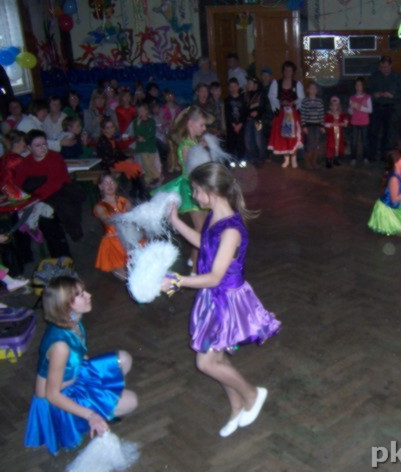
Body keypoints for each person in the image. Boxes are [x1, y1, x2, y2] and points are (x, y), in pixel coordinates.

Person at [162, 162, 280, 437]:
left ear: (212, 191)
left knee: (206, 362)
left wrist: (178, 281)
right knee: (218, 357)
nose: (194, 196)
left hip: (225, 301)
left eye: (196, 190)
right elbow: (205, 244)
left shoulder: (231, 230)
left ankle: (252, 394)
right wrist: (176, 221)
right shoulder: (215, 216)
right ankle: (236, 406)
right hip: (212, 297)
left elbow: (215, 277)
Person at [24, 276, 138, 455]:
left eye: (84, 291)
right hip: (58, 400)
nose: (89, 295)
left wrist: (95, 377)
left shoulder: (72, 321)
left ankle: (105, 407)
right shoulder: (60, 346)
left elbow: (79, 353)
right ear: (65, 305)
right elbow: (52, 395)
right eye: (80, 295)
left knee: (124, 359)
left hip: (75, 377)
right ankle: (96, 414)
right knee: (131, 401)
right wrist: (90, 415)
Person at [153, 106, 209, 274]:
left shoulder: (194, 143)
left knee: (204, 228)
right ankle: (195, 270)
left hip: (199, 187)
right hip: (191, 189)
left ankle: (193, 259)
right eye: (201, 125)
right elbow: (192, 171)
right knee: (201, 231)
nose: (204, 129)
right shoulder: (186, 146)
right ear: (191, 123)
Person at [13, 130, 84, 253]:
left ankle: (62, 254)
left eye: (44, 144)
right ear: (29, 148)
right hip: (39, 196)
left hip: (59, 193)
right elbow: (18, 183)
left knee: (49, 219)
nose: (43, 148)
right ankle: (24, 256)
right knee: (16, 218)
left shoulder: (55, 157)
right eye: (38, 145)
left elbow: (54, 183)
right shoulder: (26, 162)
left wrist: (35, 198)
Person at [367, 149, 401, 237]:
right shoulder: (394, 179)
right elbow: (394, 199)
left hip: (395, 206)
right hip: (387, 209)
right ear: (396, 163)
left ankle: (398, 223)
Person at [96, 118, 147, 201]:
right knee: (131, 167)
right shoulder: (103, 141)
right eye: (108, 128)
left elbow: (118, 153)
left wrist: (127, 158)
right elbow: (108, 158)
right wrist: (124, 161)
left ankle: (136, 190)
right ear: (103, 130)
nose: (111, 129)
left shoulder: (111, 139)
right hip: (109, 165)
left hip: (115, 162)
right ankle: (141, 191)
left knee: (134, 164)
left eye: (112, 127)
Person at [93, 173, 131, 280]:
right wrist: (120, 218)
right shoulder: (100, 206)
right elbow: (105, 220)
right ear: (100, 187)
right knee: (123, 277)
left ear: (116, 184)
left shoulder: (124, 201)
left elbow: (133, 215)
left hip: (129, 236)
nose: (109, 186)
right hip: (113, 241)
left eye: (111, 182)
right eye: (106, 183)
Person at [267, 61, 305, 168]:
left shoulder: (297, 84)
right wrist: (280, 102)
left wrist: (293, 103)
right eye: (286, 70)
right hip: (281, 113)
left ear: (293, 72)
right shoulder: (276, 83)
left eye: (290, 70)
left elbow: (301, 98)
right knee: (283, 136)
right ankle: (286, 159)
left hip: (292, 113)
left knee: (293, 135)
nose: (288, 72)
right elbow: (271, 97)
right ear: (283, 71)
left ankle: (294, 158)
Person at [368, 56, 401, 161]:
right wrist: (375, 95)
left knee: (388, 133)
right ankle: (372, 155)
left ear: (390, 65)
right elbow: (368, 91)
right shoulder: (375, 76)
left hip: (390, 108)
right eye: (381, 67)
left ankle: (385, 155)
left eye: (385, 67)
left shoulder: (397, 77)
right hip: (377, 107)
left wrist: (392, 96)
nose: (383, 69)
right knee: (374, 132)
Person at [132, 103, 162, 187]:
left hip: (151, 146)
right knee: (146, 164)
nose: (140, 112)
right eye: (139, 111)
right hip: (142, 147)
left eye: (142, 110)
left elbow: (152, 132)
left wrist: (144, 138)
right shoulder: (136, 122)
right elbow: (136, 133)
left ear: (146, 111)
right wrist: (138, 126)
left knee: (150, 164)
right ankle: (155, 177)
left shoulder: (151, 121)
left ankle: (152, 178)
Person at [300, 82, 325, 169]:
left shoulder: (319, 101)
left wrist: (322, 126)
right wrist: (304, 126)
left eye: (314, 88)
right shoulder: (305, 101)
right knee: (310, 144)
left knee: (316, 143)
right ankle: (307, 162)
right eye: (311, 88)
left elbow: (321, 114)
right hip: (309, 126)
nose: (313, 90)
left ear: (317, 90)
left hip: (317, 126)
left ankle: (314, 162)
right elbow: (303, 114)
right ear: (308, 90)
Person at [348, 77, 372, 166]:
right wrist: (351, 109)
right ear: (355, 86)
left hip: (364, 122)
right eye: (357, 85)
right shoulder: (352, 98)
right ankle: (353, 158)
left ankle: (366, 157)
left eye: (360, 85)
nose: (358, 87)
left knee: (365, 141)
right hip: (354, 122)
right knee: (354, 141)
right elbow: (350, 112)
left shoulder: (367, 97)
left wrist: (359, 107)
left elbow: (370, 110)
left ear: (363, 86)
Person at [243, 77, 266, 166]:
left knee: (259, 139)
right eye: (248, 83)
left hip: (258, 121)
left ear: (255, 85)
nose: (248, 85)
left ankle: (261, 158)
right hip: (248, 120)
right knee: (248, 140)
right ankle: (252, 158)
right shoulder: (246, 95)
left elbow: (264, 108)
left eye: (250, 83)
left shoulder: (261, 95)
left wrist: (257, 112)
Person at [224, 78, 247, 164]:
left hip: (241, 125)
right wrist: (233, 125)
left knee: (241, 143)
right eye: (231, 86)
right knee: (231, 143)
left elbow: (245, 113)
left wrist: (240, 124)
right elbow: (227, 114)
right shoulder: (227, 100)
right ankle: (231, 161)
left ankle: (242, 160)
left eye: (235, 86)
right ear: (229, 88)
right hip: (231, 126)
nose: (233, 88)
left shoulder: (243, 99)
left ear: (238, 86)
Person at [323, 96, 349, 169]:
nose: (334, 107)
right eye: (333, 105)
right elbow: (324, 122)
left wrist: (345, 122)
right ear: (330, 106)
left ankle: (335, 159)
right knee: (330, 146)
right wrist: (331, 124)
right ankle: (328, 160)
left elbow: (345, 118)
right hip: (331, 133)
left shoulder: (341, 114)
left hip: (339, 132)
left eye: (336, 105)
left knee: (338, 145)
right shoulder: (328, 114)